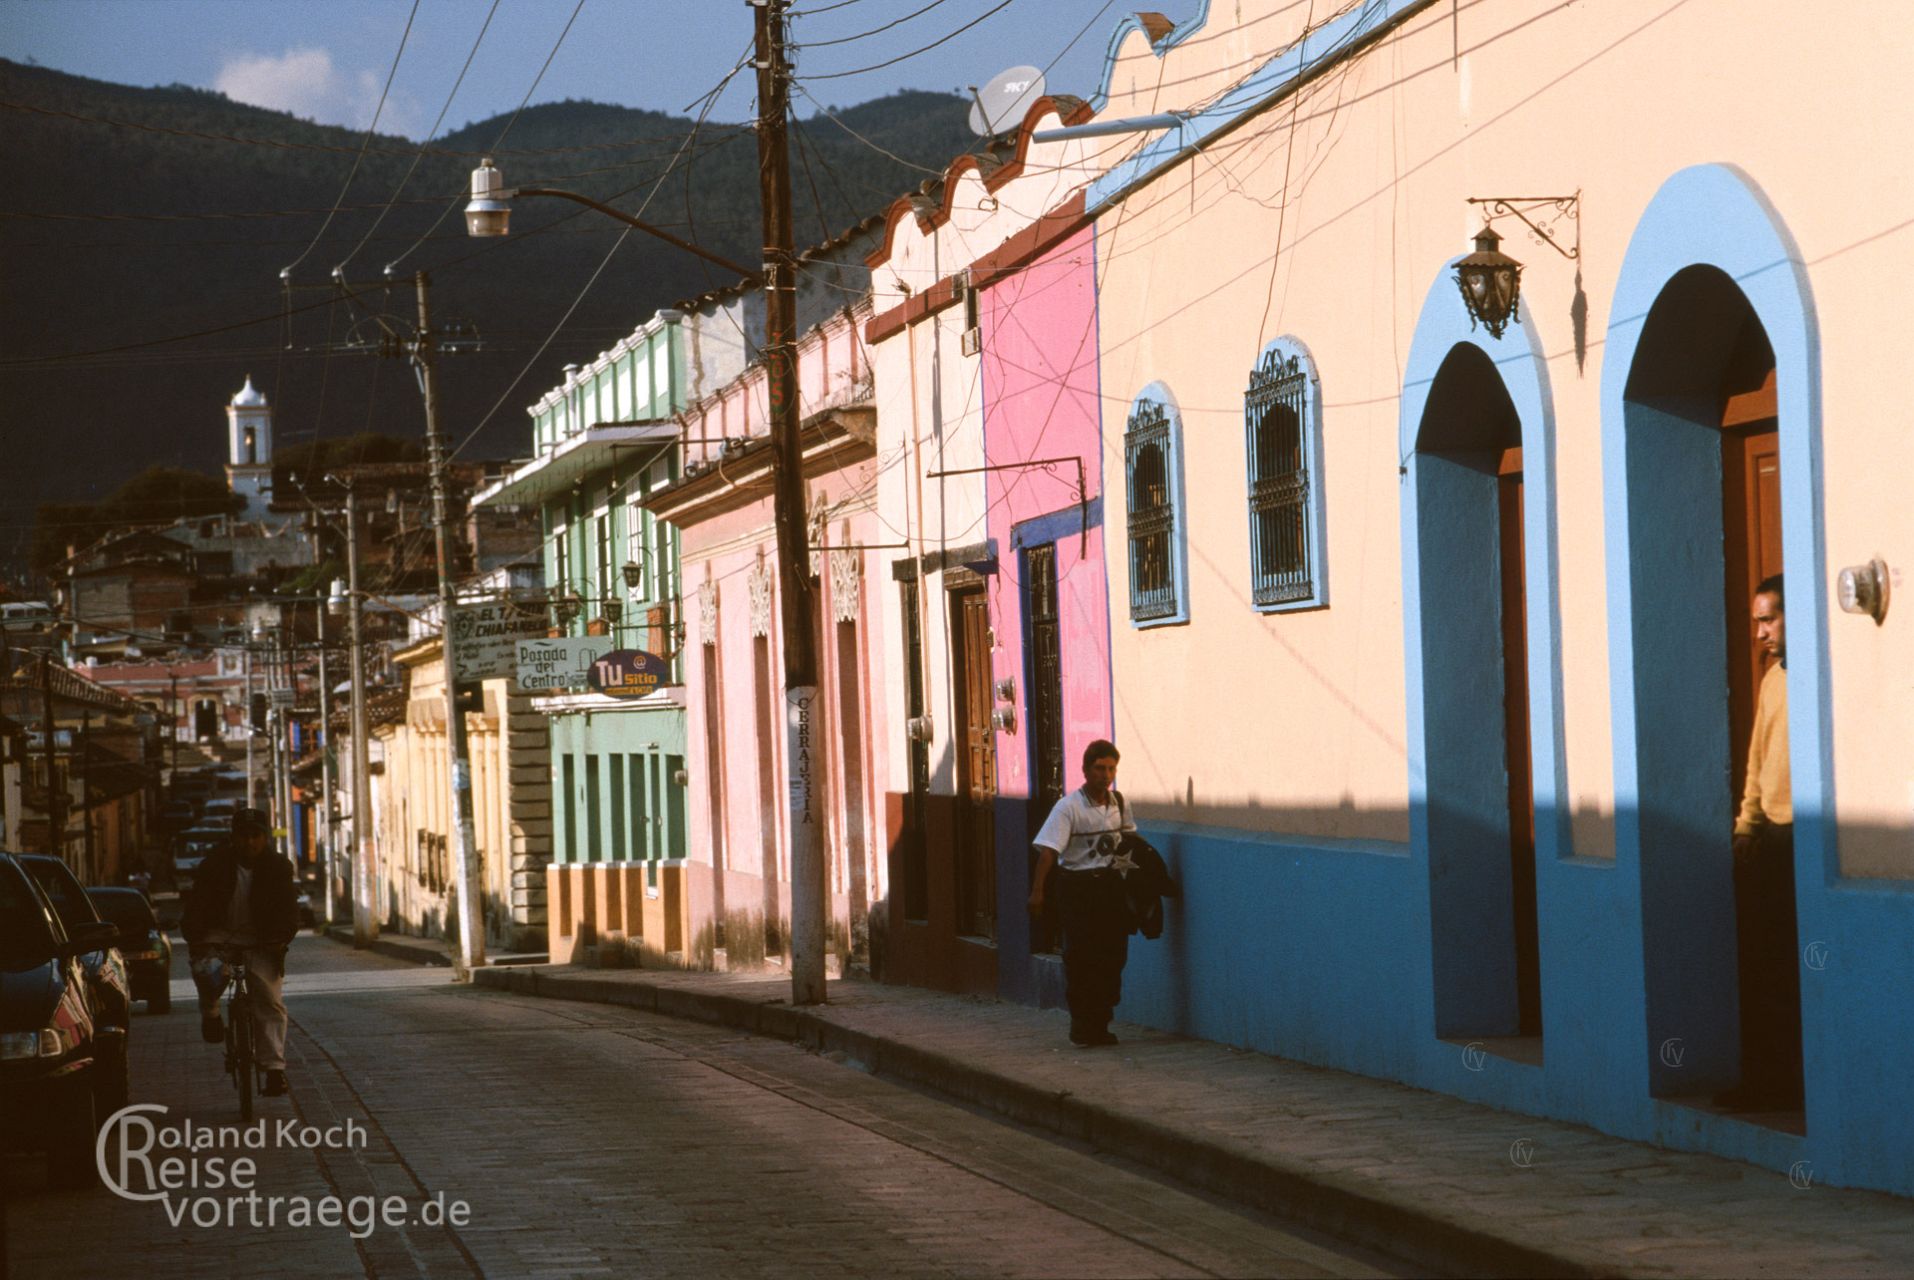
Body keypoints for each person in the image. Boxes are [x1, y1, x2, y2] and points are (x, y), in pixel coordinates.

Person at [1719, 574, 1802, 1112]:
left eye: (1768, 619)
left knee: (1800, 967)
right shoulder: (1774, 678)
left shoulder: (1817, 675)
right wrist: (1746, 825)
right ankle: (1765, 1082)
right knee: (1764, 964)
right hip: (1770, 835)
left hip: (1807, 834)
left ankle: (1795, 1083)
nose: (1760, 633)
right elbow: (1756, 756)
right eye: (1757, 622)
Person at [183, 807, 300, 1097]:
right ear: (233, 838)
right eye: (243, 836)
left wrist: (281, 938)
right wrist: (196, 938)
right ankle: (210, 1012)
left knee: (270, 1002)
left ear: (265, 838)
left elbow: (289, 911)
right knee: (207, 975)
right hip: (218, 935)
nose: (250, 843)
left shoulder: (278, 867)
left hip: (263, 940)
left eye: (255, 836)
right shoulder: (214, 865)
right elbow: (197, 905)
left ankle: (274, 1070)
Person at [1028, 740, 1136, 1047]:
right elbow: (1049, 852)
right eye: (1100, 768)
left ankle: (1101, 1022)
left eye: (1111, 768)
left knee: (1113, 956)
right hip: (1077, 887)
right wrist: (1037, 892)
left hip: (1110, 888)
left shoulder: (1119, 803)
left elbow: (1129, 841)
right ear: (1086, 771)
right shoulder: (1068, 807)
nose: (1106, 774)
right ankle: (1083, 1024)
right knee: (1082, 957)